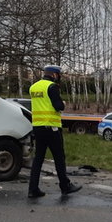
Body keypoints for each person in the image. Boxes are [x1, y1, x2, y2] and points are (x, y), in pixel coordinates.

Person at [27, 65, 82, 198]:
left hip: (37, 127)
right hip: (52, 127)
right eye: (59, 75)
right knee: (59, 157)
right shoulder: (52, 87)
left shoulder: (33, 87)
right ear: (55, 75)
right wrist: (63, 103)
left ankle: (33, 189)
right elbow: (58, 106)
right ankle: (65, 186)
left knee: (38, 159)